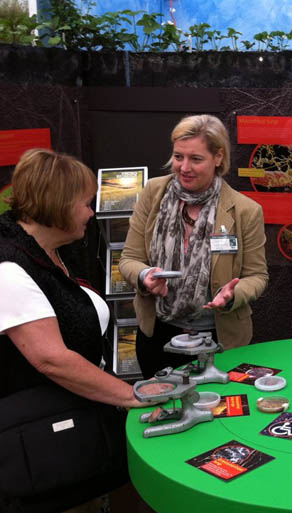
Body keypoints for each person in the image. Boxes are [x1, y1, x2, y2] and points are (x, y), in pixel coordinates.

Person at [0, 148, 145, 511]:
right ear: (58, 204)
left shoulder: (51, 250)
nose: (92, 213)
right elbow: (52, 360)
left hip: (80, 425)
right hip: (42, 446)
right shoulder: (9, 266)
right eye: (85, 203)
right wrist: (133, 397)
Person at [120, 114, 268, 379]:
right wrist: (145, 276)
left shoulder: (245, 211)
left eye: (196, 159)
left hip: (219, 339)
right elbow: (130, 258)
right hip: (159, 335)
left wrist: (232, 296)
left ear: (218, 158)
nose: (184, 167)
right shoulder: (153, 194)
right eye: (178, 157)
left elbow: (257, 276)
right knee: (162, 410)